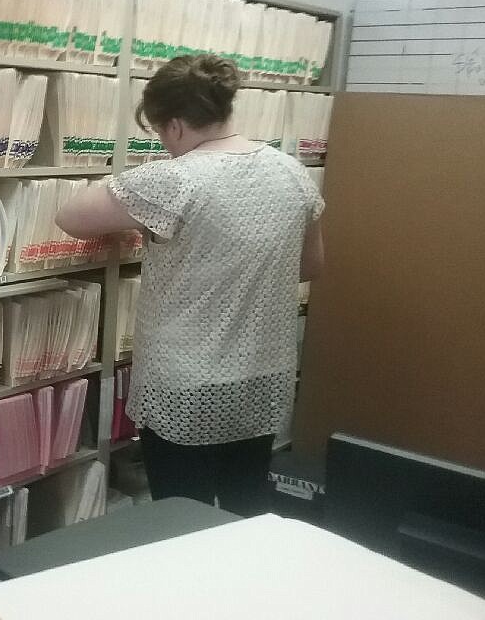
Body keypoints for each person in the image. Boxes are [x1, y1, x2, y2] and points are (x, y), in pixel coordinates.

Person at [55, 53, 325, 516]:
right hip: (262, 377)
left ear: (175, 124)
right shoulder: (292, 172)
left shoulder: (173, 179)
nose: (163, 144)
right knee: (245, 506)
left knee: (181, 515)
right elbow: (310, 266)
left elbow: (70, 218)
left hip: (186, 384)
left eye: (160, 132)